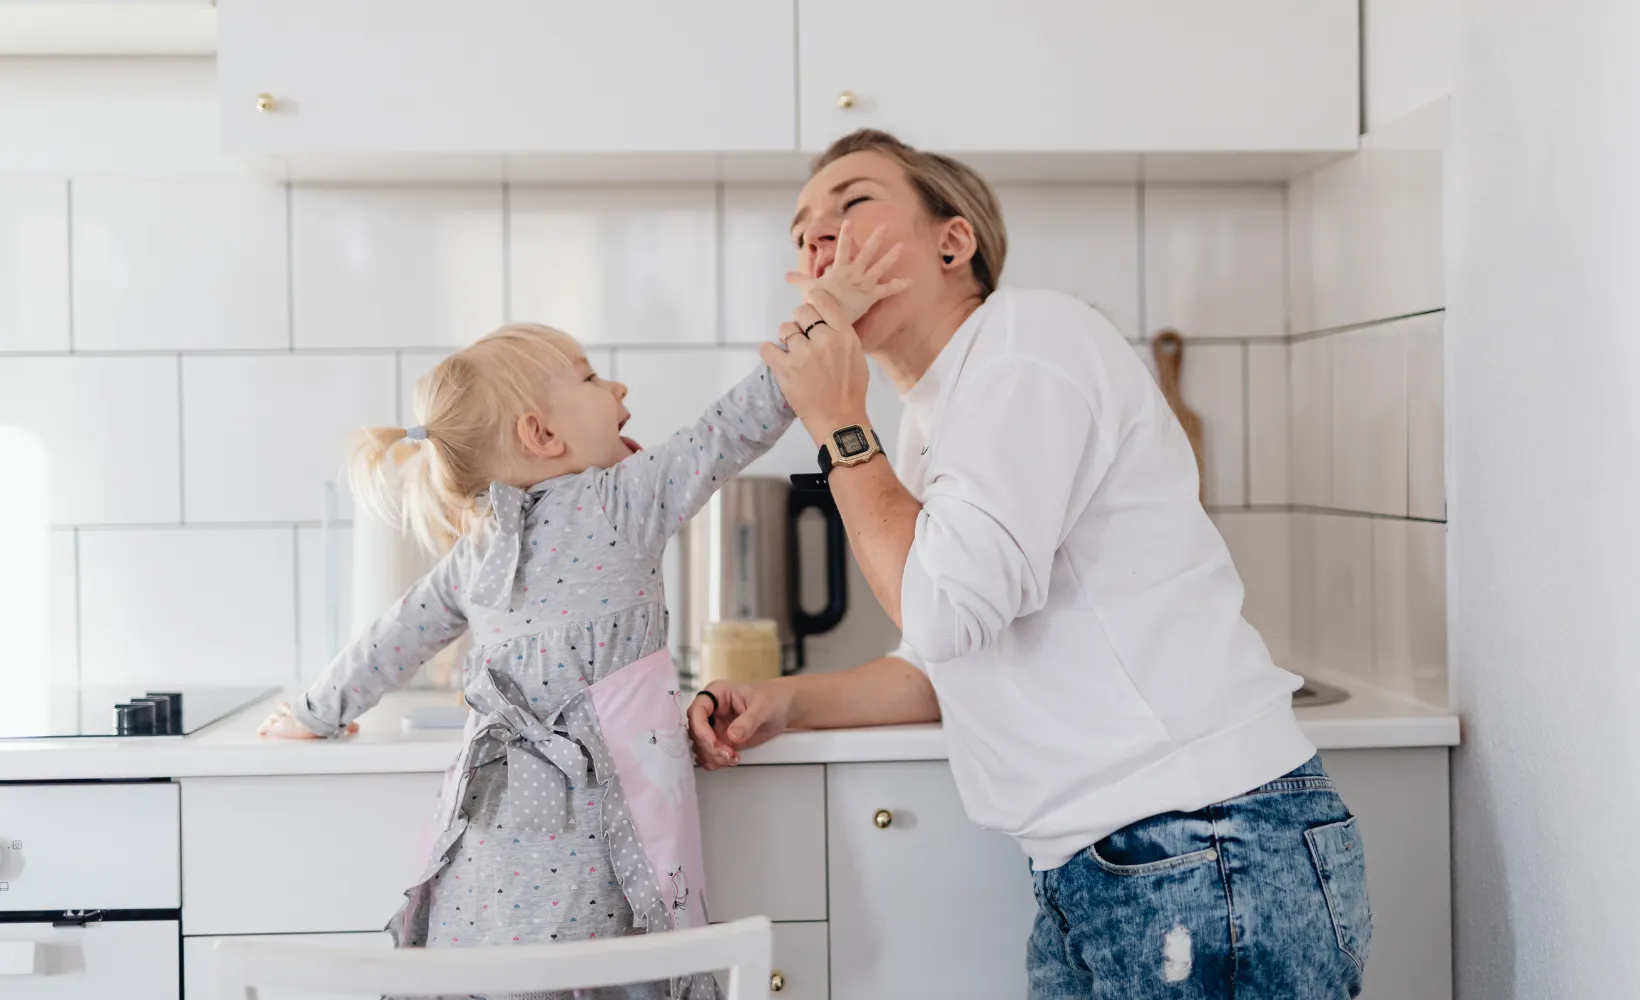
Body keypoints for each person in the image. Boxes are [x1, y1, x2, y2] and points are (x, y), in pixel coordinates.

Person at [688, 130, 1374, 999]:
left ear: (953, 240)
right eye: (801, 233)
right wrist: (786, 703)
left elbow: (940, 609)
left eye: (853, 204)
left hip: (1201, 848)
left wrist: (835, 424)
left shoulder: (1028, 344)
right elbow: (947, 660)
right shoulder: (936, 413)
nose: (819, 240)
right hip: (1107, 866)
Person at [254, 320, 821, 1000]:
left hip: (489, 877)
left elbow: (393, 637)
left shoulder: (480, 548)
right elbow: (730, 429)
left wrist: (315, 713)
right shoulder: (621, 501)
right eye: (589, 378)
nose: (618, 387)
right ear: (542, 435)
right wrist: (810, 340)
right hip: (607, 860)